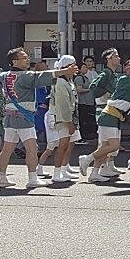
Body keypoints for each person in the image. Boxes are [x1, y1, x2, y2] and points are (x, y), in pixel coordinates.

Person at [0, 49, 77, 189]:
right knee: (32, 149)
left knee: (7, 149)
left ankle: (3, 178)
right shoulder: (26, 76)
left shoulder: (4, 75)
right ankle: (32, 178)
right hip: (24, 118)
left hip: (9, 117)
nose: (27, 60)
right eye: (24, 58)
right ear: (14, 61)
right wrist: (63, 71)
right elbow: (42, 76)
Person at [80, 55, 130, 183]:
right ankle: (87, 159)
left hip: (113, 116)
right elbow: (94, 87)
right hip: (109, 114)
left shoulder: (123, 78)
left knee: (105, 147)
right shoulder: (124, 78)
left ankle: (95, 173)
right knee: (113, 146)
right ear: (127, 69)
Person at [38, 55, 77, 183]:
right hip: (60, 118)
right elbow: (63, 105)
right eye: (73, 65)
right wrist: (69, 122)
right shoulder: (61, 82)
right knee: (60, 146)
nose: (75, 67)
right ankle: (56, 173)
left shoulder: (67, 81)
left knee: (65, 145)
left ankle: (61, 171)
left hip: (64, 117)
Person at [74, 55, 97, 142]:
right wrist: (89, 89)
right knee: (83, 119)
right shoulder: (80, 78)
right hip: (83, 102)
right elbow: (79, 89)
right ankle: (83, 135)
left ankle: (89, 134)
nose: (86, 68)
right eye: (83, 67)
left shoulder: (88, 76)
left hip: (90, 101)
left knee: (88, 119)